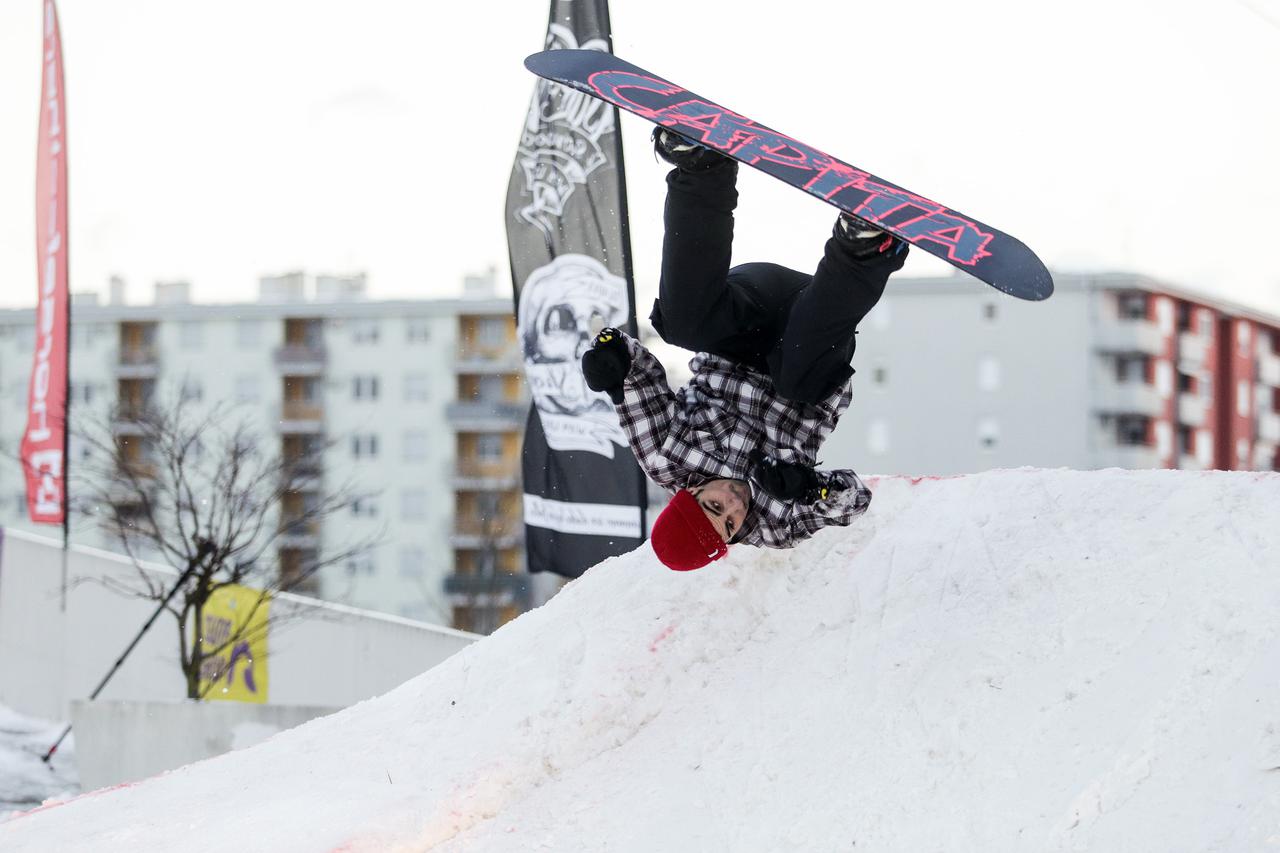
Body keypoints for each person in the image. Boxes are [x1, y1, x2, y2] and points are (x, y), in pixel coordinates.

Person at [581, 129, 908, 571]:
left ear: (688, 495)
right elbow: (854, 503)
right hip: (809, 342)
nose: (733, 507)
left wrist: (610, 361)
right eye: (731, 525)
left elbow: (635, 381)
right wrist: (815, 490)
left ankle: (701, 167)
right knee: (797, 378)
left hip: (748, 317)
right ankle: (865, 248)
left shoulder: (664, 457)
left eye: (714, 507)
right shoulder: (775, 524)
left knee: (680, 324)